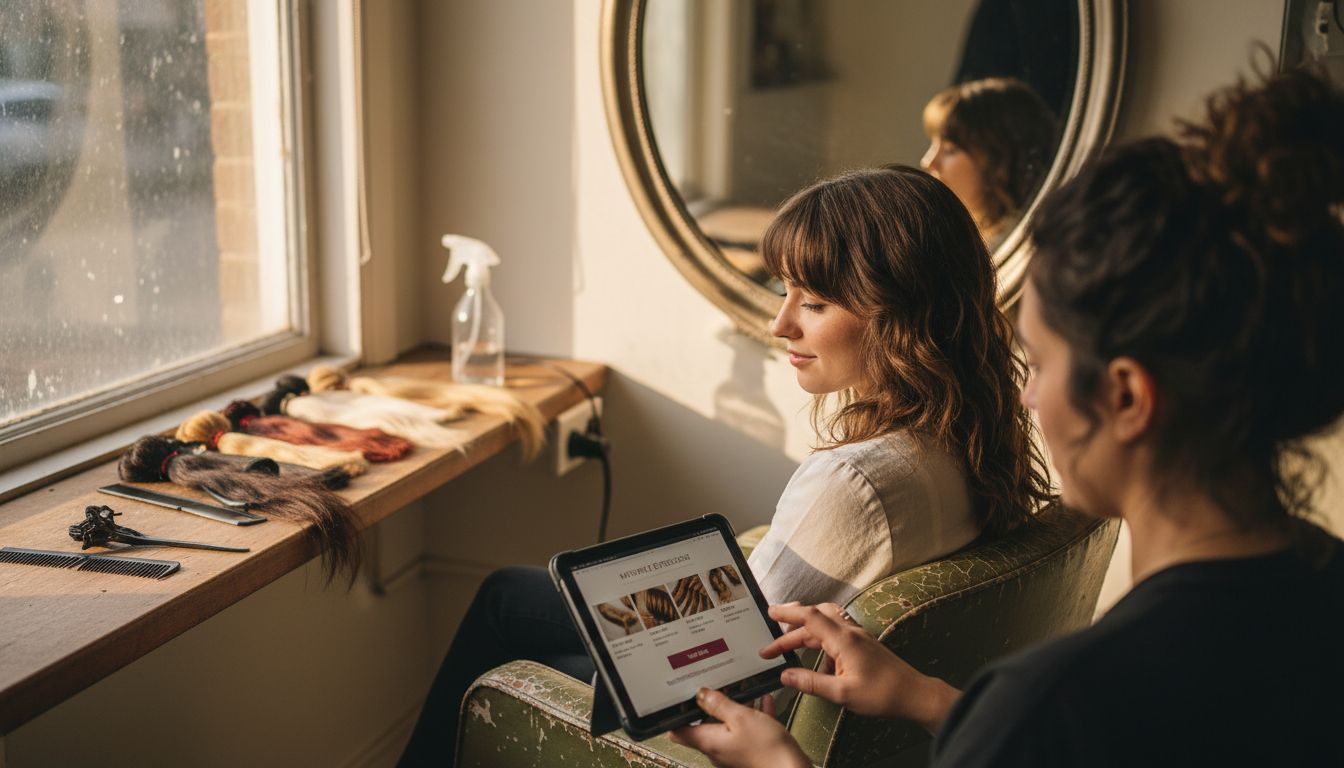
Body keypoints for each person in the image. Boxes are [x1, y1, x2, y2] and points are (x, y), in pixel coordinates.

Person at [670, 66, 1344, 767]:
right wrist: (932, 699)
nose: (1026, 397)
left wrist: (779, 763)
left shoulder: (1056, 705)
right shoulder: (1323, 593)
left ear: (1126, 399)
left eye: (1043, 365)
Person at [398, 166, 1052, 765]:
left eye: (815, 303)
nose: (780, 323)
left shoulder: (859, 483)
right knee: (524, 590)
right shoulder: (968, 436)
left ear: (905, 315)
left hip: (729, 712)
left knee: (507, 607)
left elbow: (730, 649)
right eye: (785, 291)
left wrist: (666, 599)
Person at [921, 77, 1058, 251]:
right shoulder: (966, 240)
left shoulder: (1028, 241)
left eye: (950, 149)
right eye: (934, 143)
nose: (928, 162)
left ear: (998, 159)